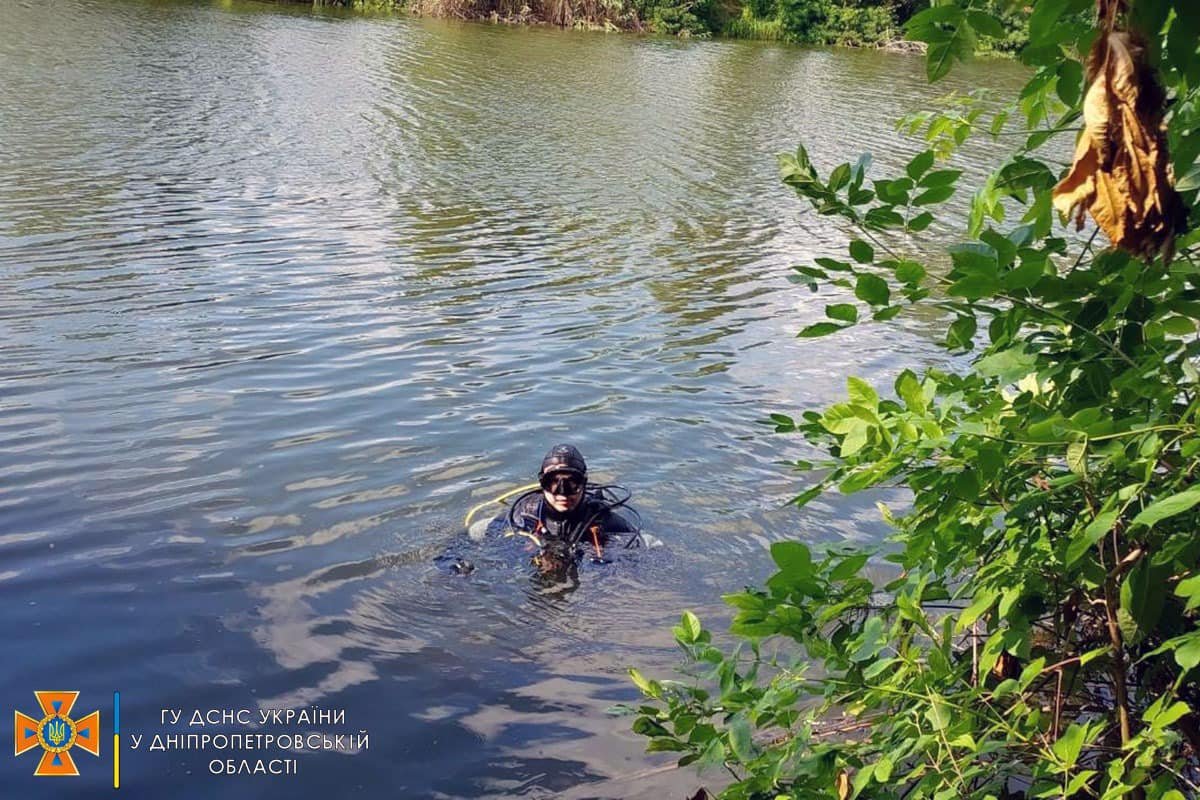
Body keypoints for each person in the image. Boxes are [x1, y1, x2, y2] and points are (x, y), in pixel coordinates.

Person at [499, 444, 642, 560]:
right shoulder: (526, 512)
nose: (562, 493)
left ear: (583, 484)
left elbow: (643, 544)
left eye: (572, 484)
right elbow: (487, 529)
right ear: (542, 484)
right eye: (553, 483)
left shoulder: (601, 518)